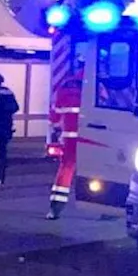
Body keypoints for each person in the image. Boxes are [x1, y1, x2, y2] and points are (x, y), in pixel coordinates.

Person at [47, 78, 81, 219]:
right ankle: (106, 208)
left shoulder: (66, 86)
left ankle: (56, 208)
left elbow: (54, 117)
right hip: (93, 137)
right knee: (99, 170)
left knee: (66, 170)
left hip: (69, 139)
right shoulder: (98, 84)